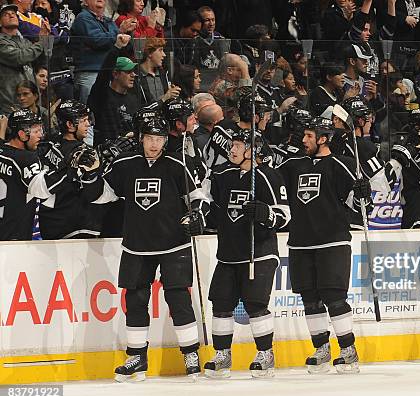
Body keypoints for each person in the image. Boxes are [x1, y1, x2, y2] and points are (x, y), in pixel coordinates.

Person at [80, 116, 210, 381]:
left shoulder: (176, 164)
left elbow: (198, 197)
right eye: (150, 138)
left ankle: (190, 354)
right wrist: (91, 174)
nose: (154, 144)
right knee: (135, 300)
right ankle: (136, 357)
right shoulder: (125, 165)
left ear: (165, 140)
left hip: (174, 243)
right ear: (141, 138)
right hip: (137, 244)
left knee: (178, 298)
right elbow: (102, 195)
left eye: (160, 139)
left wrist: (196, 215)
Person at [276, 117, 372, 374]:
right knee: (310, 299)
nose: (303, 140)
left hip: (333, 241)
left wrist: (363, 194)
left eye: (308, 135)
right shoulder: (293, 165)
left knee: (334, 297)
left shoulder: (342, 164)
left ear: (323, 138)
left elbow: (362, 209)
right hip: (300, 243)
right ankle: (321, 348)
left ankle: (348, 350)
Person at [203, 128, 290, 379]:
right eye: (233, 145)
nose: (232, 149)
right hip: (228, 254)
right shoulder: (223, 175)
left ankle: (265, 353)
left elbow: (284, 216)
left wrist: (266, 214)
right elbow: (205, 198)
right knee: (220, 303)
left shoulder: (269, 176)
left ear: (253, 150)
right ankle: (222, 355)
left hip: (259, 252)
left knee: (255, 304)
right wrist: (200, 213)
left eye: (238, 146)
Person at [0, 109, 72, 240]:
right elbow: (41, 190)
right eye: (36, 131)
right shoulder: (26, 158)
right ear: (22, 134)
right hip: (14, 237)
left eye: (41, 130)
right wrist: (68, 168)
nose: (41, 135)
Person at [38, 100, 101, 239]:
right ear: (70, 125)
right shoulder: (82, 153)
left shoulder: (48, 144)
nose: (88, 124)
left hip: (49, 221)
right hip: (73, 225)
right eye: (83, 120)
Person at [70, 0, 136, 104]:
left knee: (107, 110)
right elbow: (98, 40)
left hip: (108, 72)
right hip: (90, 73)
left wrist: (128, 32)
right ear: (85, 2)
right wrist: (120, 31)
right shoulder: (83, 18)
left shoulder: (108, 21)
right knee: (90, 111)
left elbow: (120, 44)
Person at [88, 34, 141, 147]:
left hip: (130, 152)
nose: (133, 75)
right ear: (115, 74)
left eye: (133, 71)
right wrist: (117, 47)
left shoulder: (134, 98)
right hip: (106, 151)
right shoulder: (101, 95)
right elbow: (104, 73)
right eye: (128, 72)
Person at [0, 3, 47, 115]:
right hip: (11, 105)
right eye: (6, 14)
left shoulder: (25, 42)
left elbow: (38, 59)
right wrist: (41, 42)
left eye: (13, 14)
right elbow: (20, 57)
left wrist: (45, 36)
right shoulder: (1, 42)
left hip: (31, 103)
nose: (11, 16)